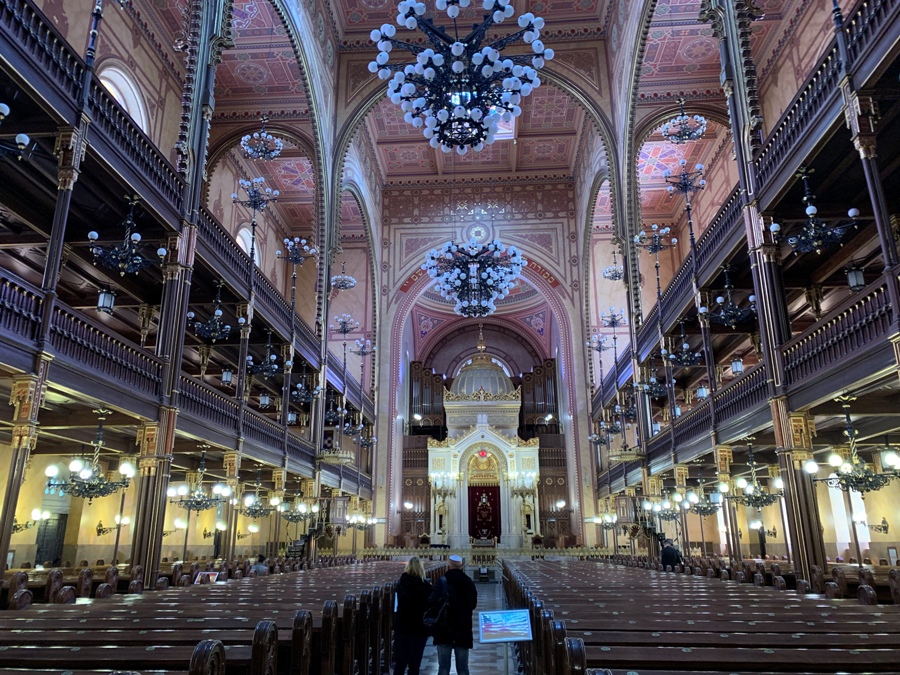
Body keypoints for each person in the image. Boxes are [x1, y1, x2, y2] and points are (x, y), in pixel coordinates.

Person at [428, 554, 477, 675]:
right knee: (463, 668)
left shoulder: (442, 581)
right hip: (463, 629)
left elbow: (432, 602)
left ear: (448, 567)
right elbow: (473, 604)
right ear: (461, 567)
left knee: (443, 668)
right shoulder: (468, 582)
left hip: (444, 628)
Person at [394, 557, 433, 675]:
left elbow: (395, 607)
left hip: (402, 627)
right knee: (415, 664)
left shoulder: (400, 584)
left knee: (400, 663)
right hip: (419, 628)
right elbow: (430, 608)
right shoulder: (426, 587)